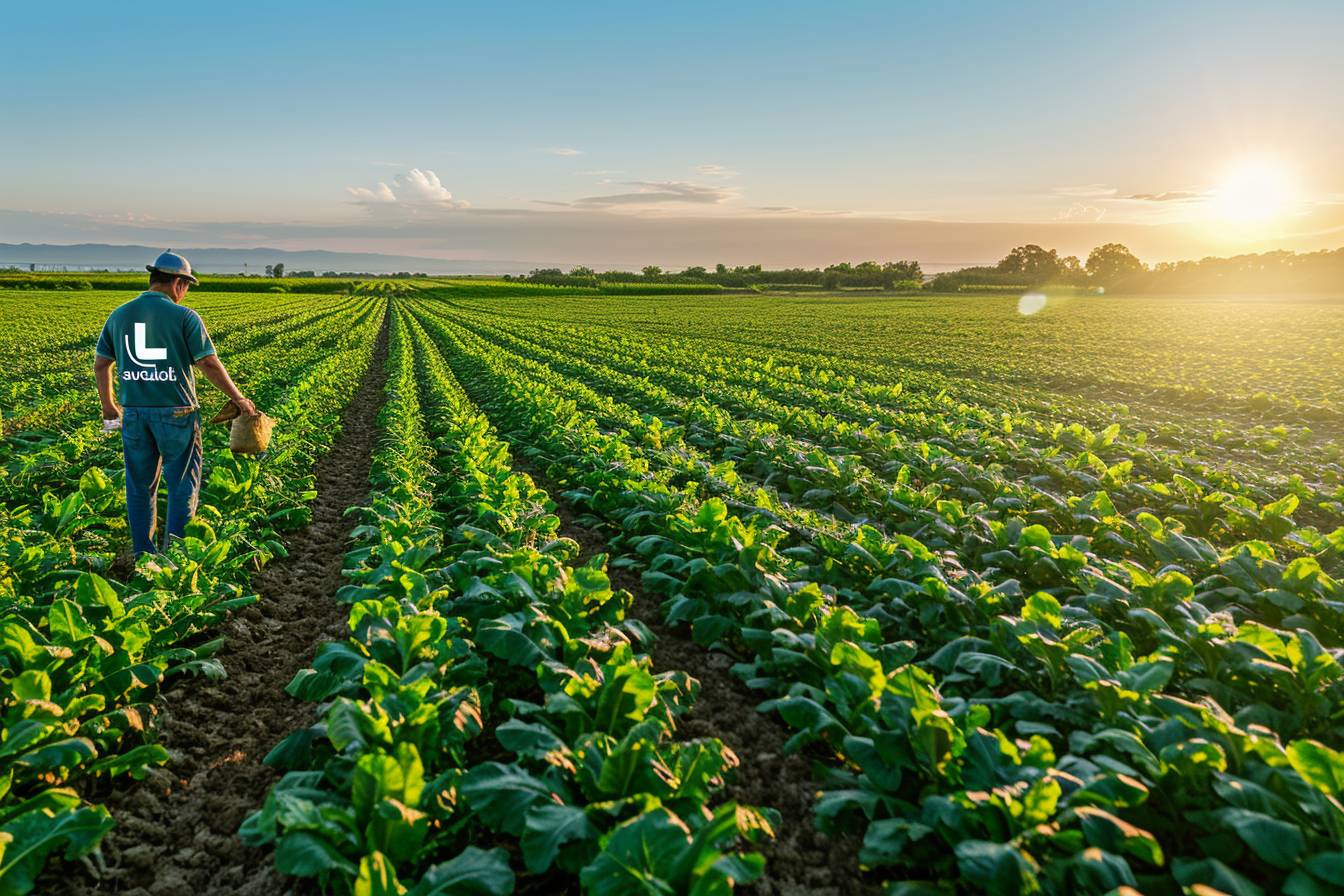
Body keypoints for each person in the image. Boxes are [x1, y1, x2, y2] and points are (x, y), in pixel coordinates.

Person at [93, 251, 258, 557]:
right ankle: (177, 557)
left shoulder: (119, 315)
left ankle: (144, 556)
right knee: (182, 481)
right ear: (179, 283)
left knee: (140, 486)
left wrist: (109, 407)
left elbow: (101, 364)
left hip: (134, 414)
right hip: (176, 412)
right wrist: (238, 398)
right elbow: (207, 362)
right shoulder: (184, 317)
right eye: (187, 285)